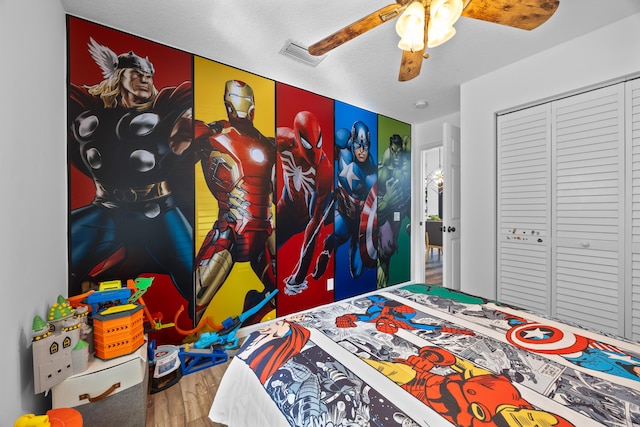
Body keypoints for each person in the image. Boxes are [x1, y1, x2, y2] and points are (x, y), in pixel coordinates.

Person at [68, 38, 195, 320]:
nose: (146, 79)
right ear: (118, 75)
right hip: (107, 209)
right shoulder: (90, 108)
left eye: (149, 74)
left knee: (196, 284)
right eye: (137, 73)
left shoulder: (166, 106)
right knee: (62, 266)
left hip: (159, 210)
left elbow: (189, 103)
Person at [193, 80, 277, 321]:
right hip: (229, 231)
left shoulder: (269, 144)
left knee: (285, 289)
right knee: (196, 300)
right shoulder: (211, 135)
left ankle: (250, 317)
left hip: (264, 232)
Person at [364, 346, 575, 427]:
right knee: (398, 371)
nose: (532, 417)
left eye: (536, 426)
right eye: (536, 415)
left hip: (426, 397)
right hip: (429, 381)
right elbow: (465, 367)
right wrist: (440, 358)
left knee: (395, 372)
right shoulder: (505, 391)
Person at [276, 111, 333, 295]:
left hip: (306, 216)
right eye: (309, 144)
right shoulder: (282, 139)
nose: (314, 152)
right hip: (285, 209)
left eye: (318, 144)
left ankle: (329, 246)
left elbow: (316, 223)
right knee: (261, 252)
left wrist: (299, 277)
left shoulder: (324, 169)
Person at [313, 120, 377, 280]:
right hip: (341, 205)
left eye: (366, 147)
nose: (362, 151)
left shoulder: (370, 170)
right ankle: (327, 252)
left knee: (356, 272)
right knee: (336, 236)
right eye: (358, 145)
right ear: (352, 141)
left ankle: (330, 249)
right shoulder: (342, 140)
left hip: (359, 217)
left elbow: (375, 195)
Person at [376, 134, 411, 287]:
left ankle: (384, 285)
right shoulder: (384, 170)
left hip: (401, 210)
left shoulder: (407, 167)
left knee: (389, 251)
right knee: (386, 251)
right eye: (393, 151)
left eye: (399, 152)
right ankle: (381, 287)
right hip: (388, 213)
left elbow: (409, 195)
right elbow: (375, 203)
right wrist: (387, 202)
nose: (396, 155)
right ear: (390, 149)